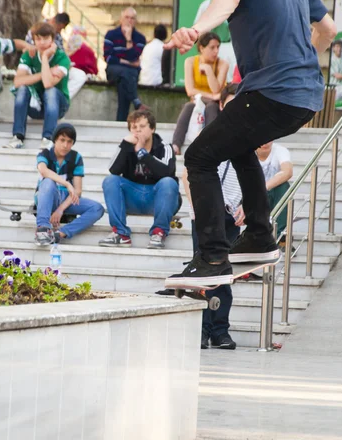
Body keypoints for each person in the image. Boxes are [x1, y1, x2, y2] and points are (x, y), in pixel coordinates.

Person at [143, 0, 336, 288]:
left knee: (199, 157)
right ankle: (260, 237)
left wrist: (196, 29)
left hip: (271, 93)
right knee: (238, 144)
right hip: (307, 96)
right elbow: (328, 30)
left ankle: (212, 256)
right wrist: (304, 62)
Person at [186, 84, 242, 350]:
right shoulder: (208, 134)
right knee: (202, 276)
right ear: (221, 106)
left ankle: (220, 331)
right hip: (205, 217)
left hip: (230, 218)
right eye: (229, 104)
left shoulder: (248, 137)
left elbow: (252, 178)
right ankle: (201, 330)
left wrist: (247, 207)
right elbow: (189, 172)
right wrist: (195, 204)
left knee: (223, 277)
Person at [99, 109, 180, 249]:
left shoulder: (164, 147)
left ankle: (158, 232)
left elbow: (167, 172)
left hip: (158, 199)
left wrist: (142, 153)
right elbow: (113, 170)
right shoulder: (127, 147)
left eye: (142, 127)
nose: (138, 131)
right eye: (134, 128)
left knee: (168, 183)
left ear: (152, 128)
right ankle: (120, 233)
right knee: (110, 180)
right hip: (134, 197)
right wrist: (125, 145)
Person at [3, 22, 71, 150]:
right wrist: (45, 73)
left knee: (50, 91)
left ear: (52, 39)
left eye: (46, 38)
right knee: (22, 89)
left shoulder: (62, 58)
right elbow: (17, 82)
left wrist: (45, 57)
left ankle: (48, 138)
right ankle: (17, 137)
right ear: (33, 40)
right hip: (36, 106)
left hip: (58, 106)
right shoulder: (29, 55)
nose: (42, 42)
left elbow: (48, 83)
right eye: (38, 39)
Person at [35, 122, 104, 245]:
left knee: (97, 208)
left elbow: (77, 191)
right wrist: (67, 184)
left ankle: (59, 234)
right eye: (62, 140)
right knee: (48, 182)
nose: (65, 145)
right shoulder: (45, 153)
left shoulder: (76, 157)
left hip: (67, 200)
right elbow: (43, 170)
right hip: (48, 197)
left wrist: (60, 209)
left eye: (69, 141)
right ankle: (43, 229)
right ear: (55, 140)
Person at [172, 32, 228, 155]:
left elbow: (216, 90)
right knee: (188, 106)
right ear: (202, 48)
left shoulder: (223, 64)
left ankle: (209, 144)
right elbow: (190, 90)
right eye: (212, 47)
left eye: (218, 47)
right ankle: (175, 145)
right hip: (198, 101)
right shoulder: (190, 61)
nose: (216, 51)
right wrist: (212, 96)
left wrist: (208, 70)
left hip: (216, 104)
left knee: (212, 106)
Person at [103, 7, 147, 121]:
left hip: (129, 75)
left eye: (132, 18)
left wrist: (128, 40)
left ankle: (120, 122)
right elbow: (108, 58)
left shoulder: (140, 38)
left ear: (135, 21)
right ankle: (136, 102)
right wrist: (128, 62)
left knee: (124, 82)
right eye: (126, 17)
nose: (129, 20)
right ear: (121, 19)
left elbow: (132, 56)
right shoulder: (111, 35)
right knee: (127, 72)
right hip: (114, 71)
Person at [256, 142, 293, 237]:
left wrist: (262, 189)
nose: (264, 142)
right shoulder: (246, 152)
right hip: (251, 195)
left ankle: (280, 237)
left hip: (271, 194)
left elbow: (287, 172)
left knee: (283, 186)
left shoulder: (279, 150)